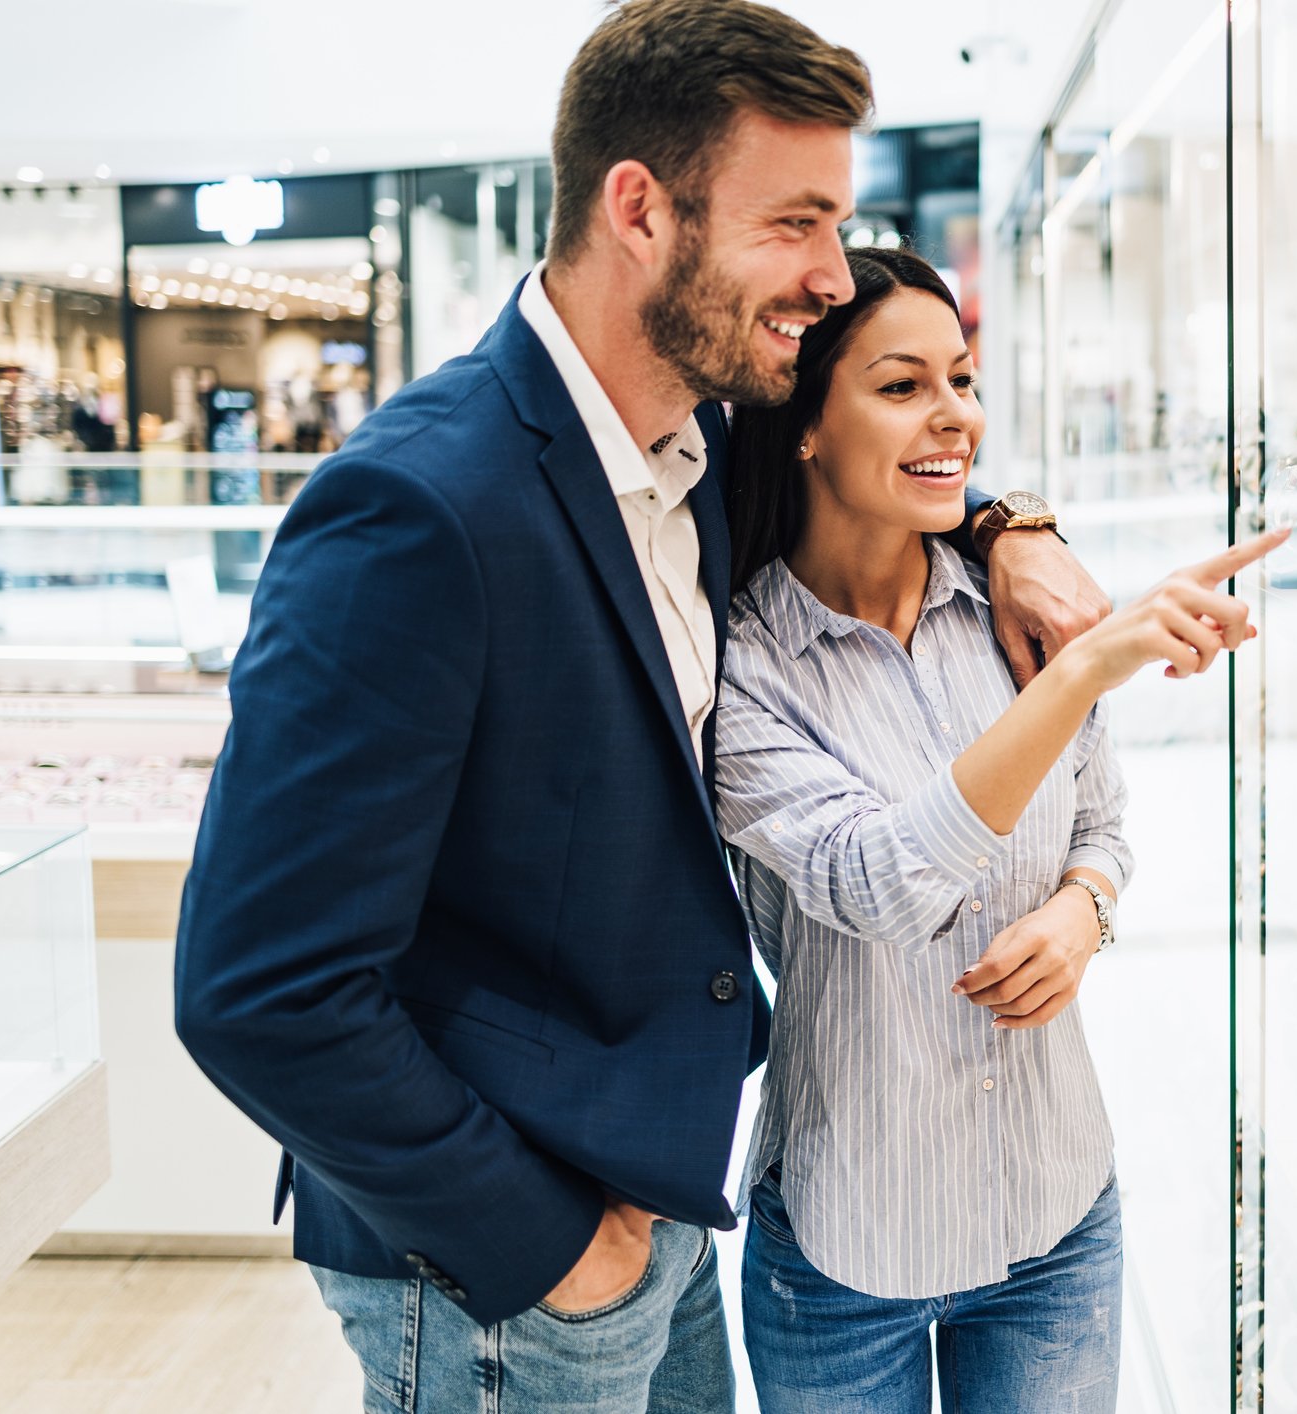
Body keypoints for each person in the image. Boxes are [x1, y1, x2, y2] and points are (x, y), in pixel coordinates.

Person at [171, 4, 1107, 1410]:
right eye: (793, 224)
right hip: (505, 1259)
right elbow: (256, 988)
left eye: (837, 225)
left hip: (660, 1189)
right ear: (639, 209)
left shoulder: (711, 433)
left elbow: (887, 461)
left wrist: (1009, 527)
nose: (829, 273)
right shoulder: (418, 505)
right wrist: (546, 1241)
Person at [713, 245, 1286, 1412]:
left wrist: (1086, 913)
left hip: (1055, 1210)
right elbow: (875, 881)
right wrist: (1079, 675)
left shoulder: (1015, 610)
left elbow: (1105, 828)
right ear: (806, 425)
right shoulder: (746, 665)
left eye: (963, 378)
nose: (954, 418)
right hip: (846, 1241)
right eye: (901, 384)